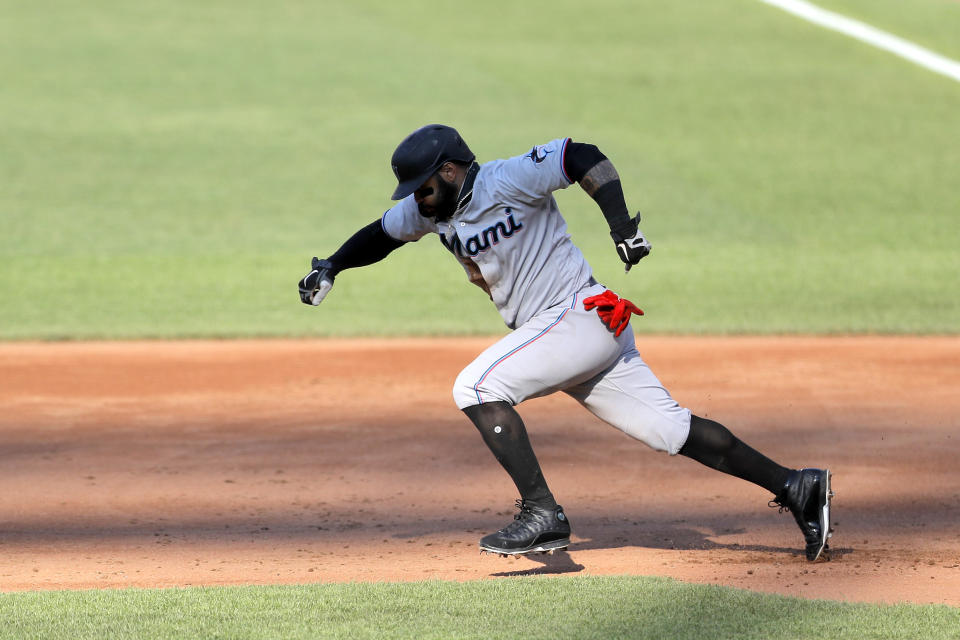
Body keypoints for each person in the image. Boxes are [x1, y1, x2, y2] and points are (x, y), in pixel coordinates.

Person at [298, 124, 834, 562]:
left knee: (477, 386)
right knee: (671, 430)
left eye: (423, 186)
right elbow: (380, 234)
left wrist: (622, 226)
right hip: (576, 333)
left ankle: (542, 514)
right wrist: (333, 266)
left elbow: (581, 156)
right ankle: (796, 486)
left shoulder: (506, 178)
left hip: (577, 316)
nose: (418, 198)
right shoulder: (432, 209)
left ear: (450, 169)